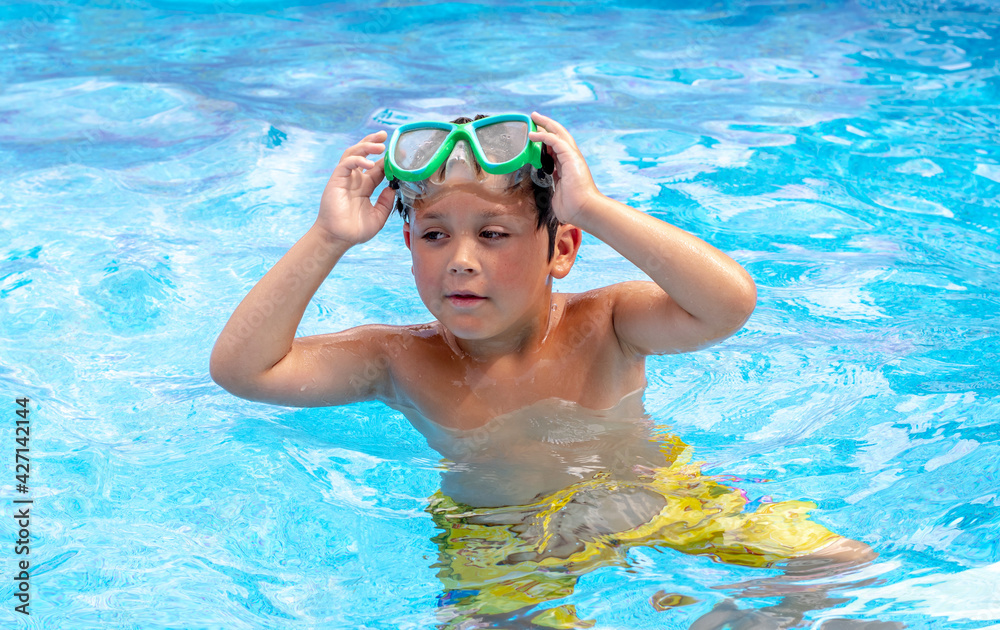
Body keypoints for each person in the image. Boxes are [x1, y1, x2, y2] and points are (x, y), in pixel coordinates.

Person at [210, 112, 875, 629]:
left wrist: (589, 205)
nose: (460, 260)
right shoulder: (399, 360)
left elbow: (728, 303)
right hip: (502, 542)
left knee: (840, 566)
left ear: (561, 250)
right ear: (409, 246)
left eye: (493, 235)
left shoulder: (607, 323)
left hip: (647, 494)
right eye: (436, 235)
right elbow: (243, 371)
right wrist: (330, 236)